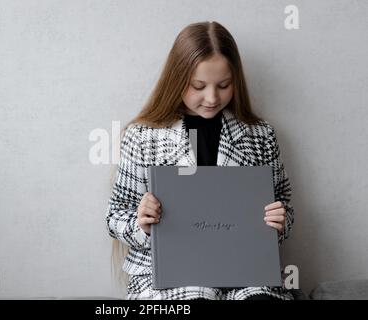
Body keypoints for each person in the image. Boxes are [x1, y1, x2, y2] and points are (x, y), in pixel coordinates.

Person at [105, 21, 294, 300]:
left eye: (224, 85)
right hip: (169, 275)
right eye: (198, 86)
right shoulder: (143, 136)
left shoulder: (260, 134)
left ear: (236, 81)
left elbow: (285, 205)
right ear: (177, 80)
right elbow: (115, 216)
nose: (212, 97)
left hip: (245, 271)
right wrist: (141, 222)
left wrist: (280, 221)